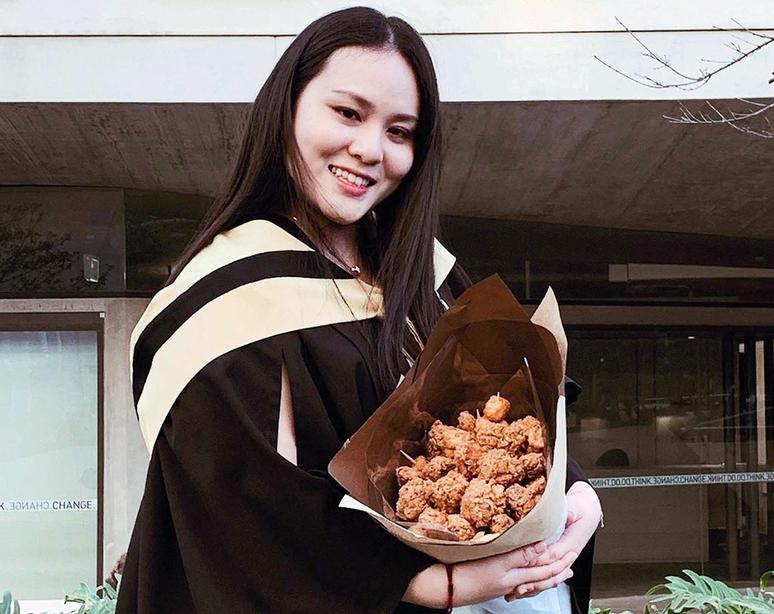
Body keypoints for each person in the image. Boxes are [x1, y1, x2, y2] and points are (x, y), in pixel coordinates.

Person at [117, 7, 601, 613]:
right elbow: (252, 514)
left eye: (400, 132)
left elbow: (499, 420)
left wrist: (578, 495)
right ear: (288, 106)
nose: (370, 149)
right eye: (348, 112)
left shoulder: (423, 270)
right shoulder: (222, 302)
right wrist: (435, 584)